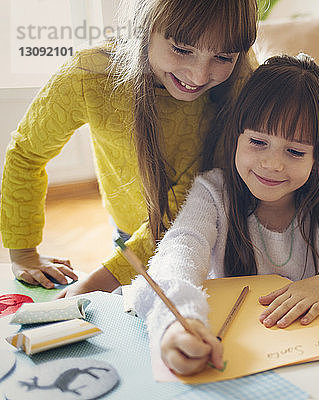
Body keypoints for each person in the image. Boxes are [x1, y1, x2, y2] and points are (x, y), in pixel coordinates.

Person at [128, 54, 319, 376]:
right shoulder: (212, 193)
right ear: (236, 137)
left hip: (312, 359)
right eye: (257, 142)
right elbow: (177, 254)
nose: (273, 164)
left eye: (295, 151)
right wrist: (179, 322)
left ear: (318, 158)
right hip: (233, 354)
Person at [0, 0, 258, 295]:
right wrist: (23, 253)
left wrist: (101, 280)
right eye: (182, 49)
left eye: (223, 57)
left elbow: (186, 206)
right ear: (145, 27)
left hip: (222, 238)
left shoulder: (242, 84)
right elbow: (27, 154)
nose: (198, 76)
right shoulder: (89, 76)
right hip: (132, 231)